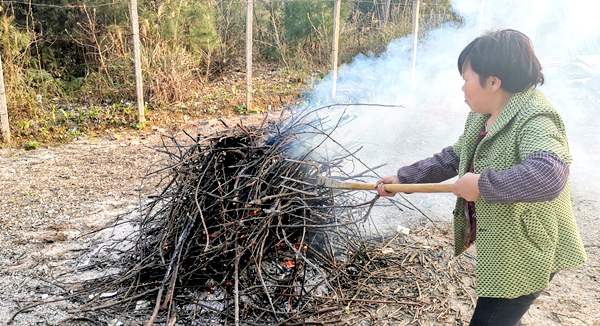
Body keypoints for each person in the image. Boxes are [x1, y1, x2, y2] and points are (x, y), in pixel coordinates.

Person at [376, 29, 587, 326]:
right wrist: (403, 178)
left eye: (466, 79)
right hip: (507, 243)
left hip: (527, 247)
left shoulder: (536, 117)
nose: (462, 88)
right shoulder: (482, 113)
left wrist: (483, 186)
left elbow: (549, 173)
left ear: (493, 81)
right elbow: (454, 156)